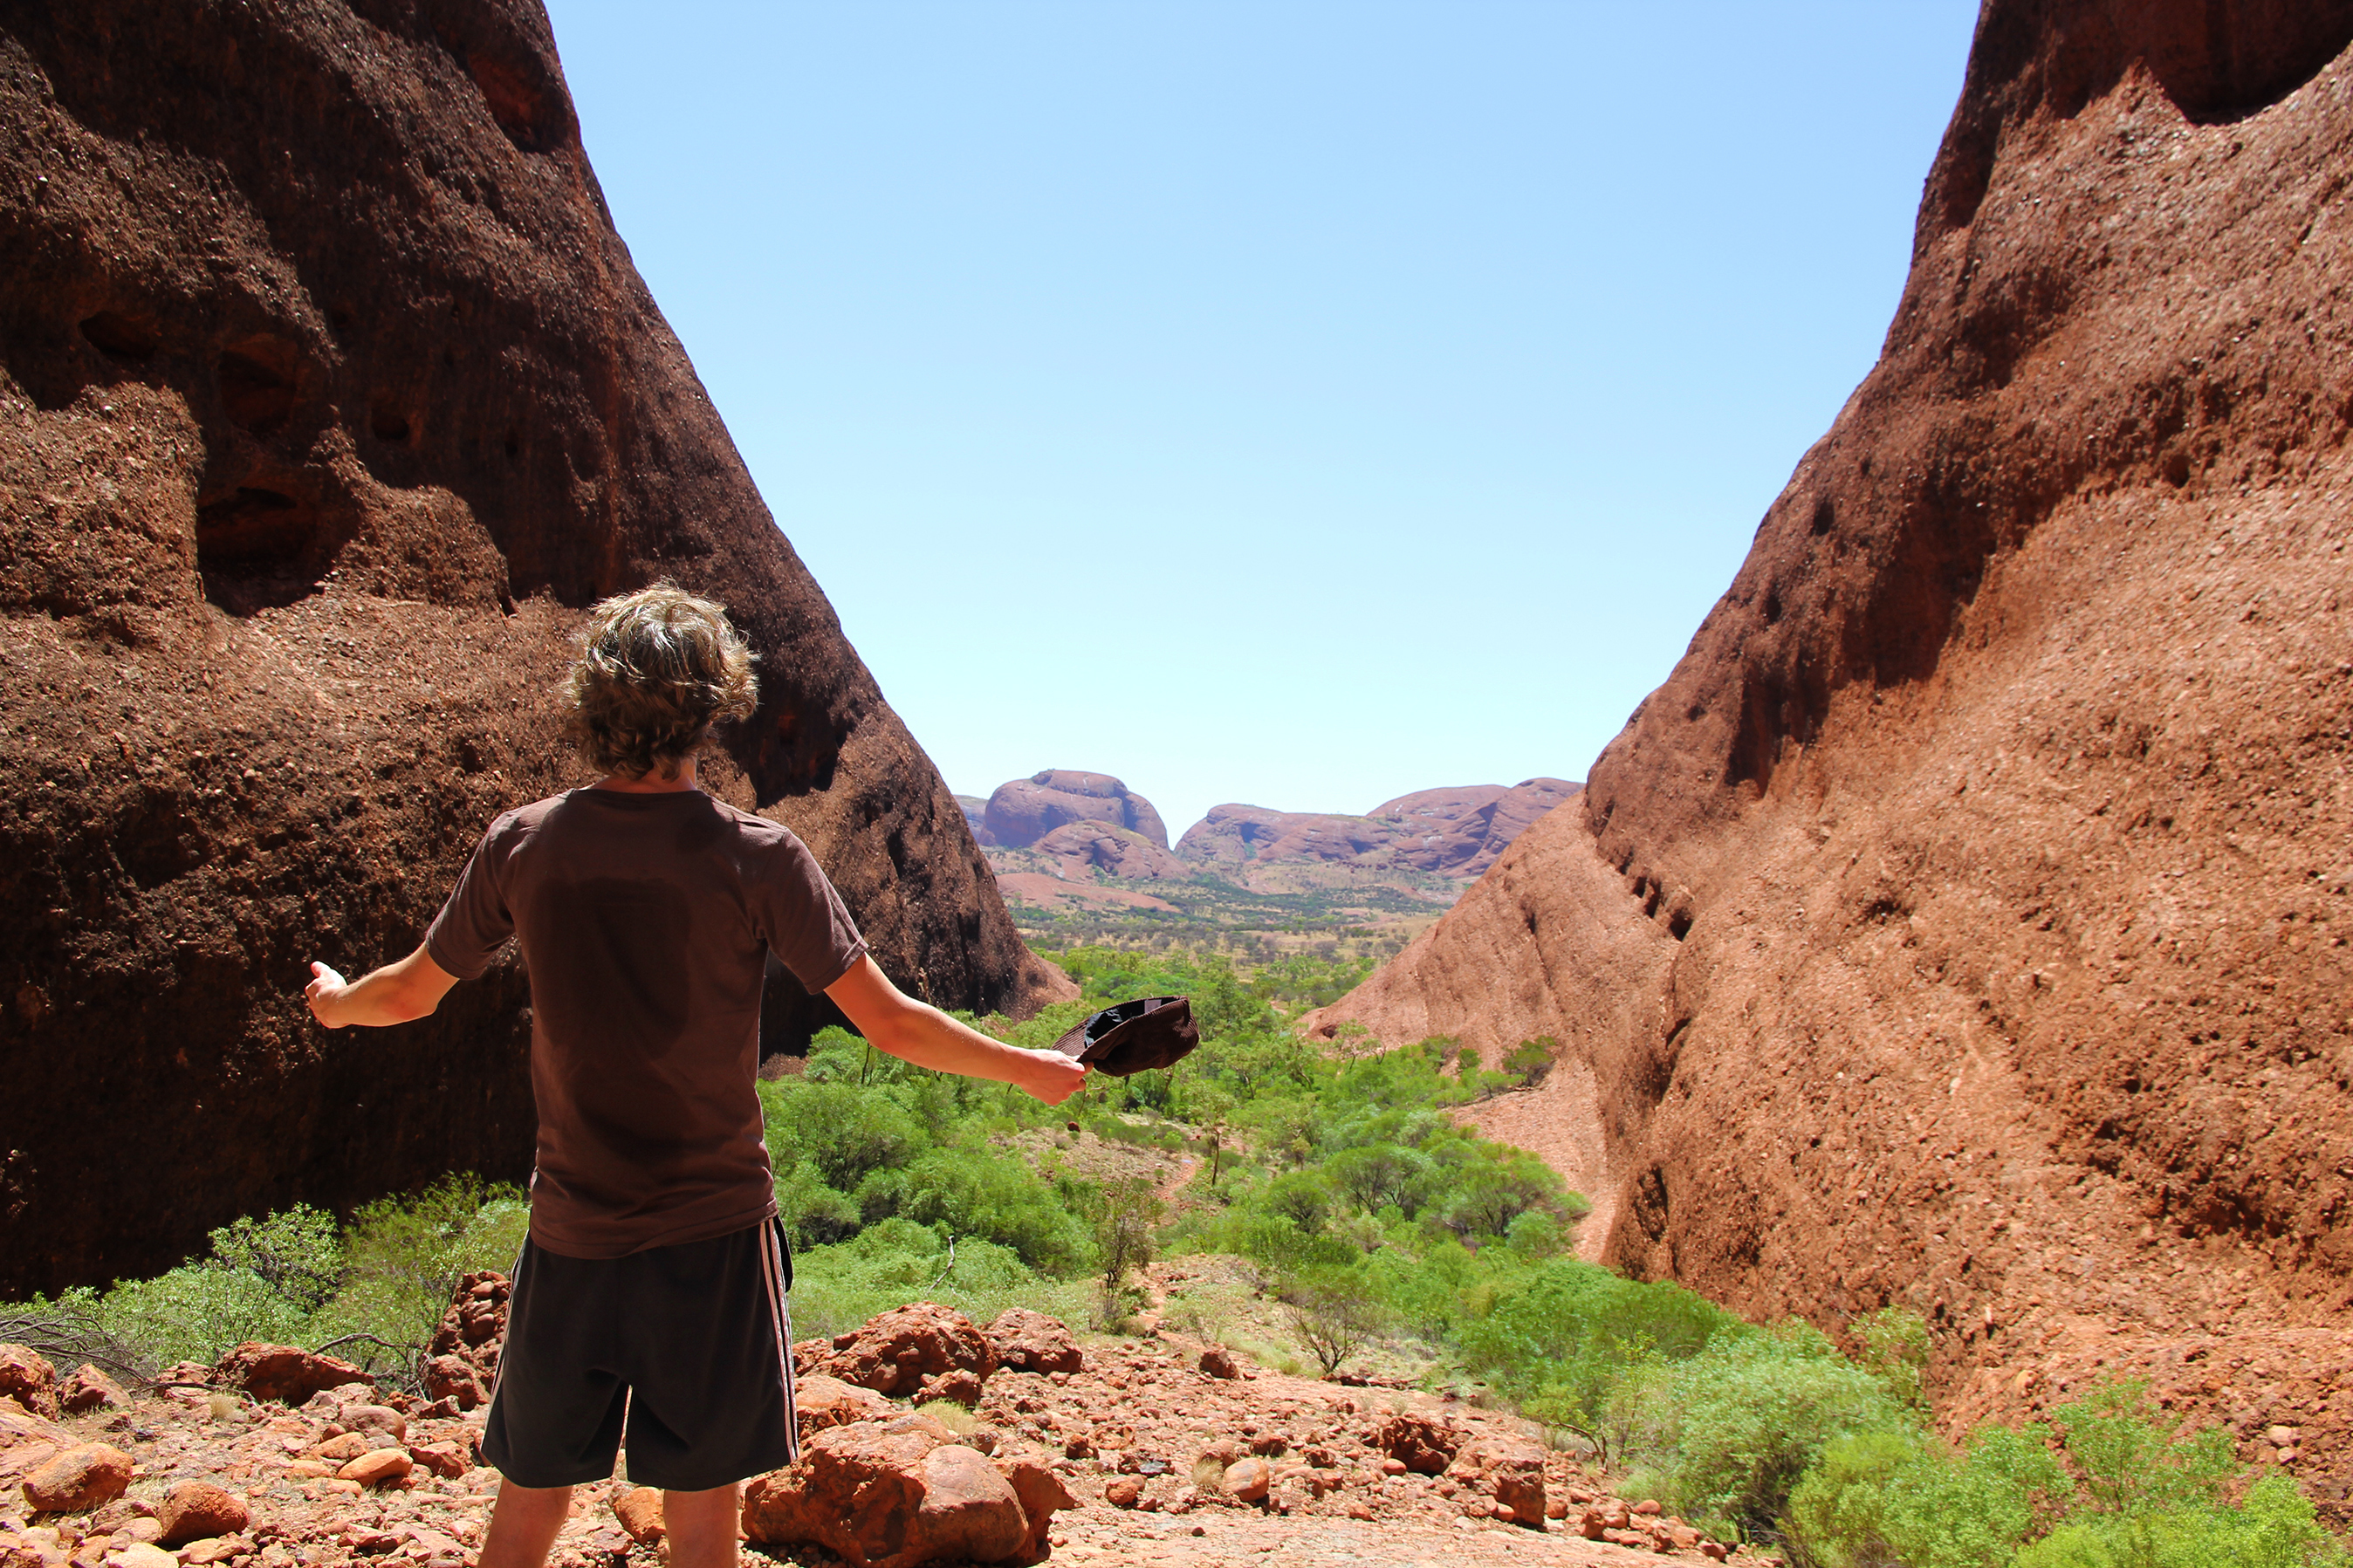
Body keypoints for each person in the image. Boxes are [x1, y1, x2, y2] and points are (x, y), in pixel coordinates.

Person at [304, 584, 1087, 1568]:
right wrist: (1030, 1069)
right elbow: (889, 1022)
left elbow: (412, 994)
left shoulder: (525, 842)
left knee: (528, 1508)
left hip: (573, 1230)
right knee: (701, 1523)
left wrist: (334, 1001)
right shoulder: (754, 856)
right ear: (712, 709)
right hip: (711, 1236)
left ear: (594, 703)